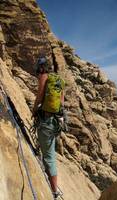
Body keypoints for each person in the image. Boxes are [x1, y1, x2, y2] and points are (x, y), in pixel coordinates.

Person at [32, 57, 65, 199]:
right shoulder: (58, 79)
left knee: (49, 157)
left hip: (46, 120)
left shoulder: (44, 77)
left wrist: (34, 110)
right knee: (49, 150)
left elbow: (39, 96)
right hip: (56, 121)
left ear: (41, 67)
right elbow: (62, 102)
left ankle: (54, 191)